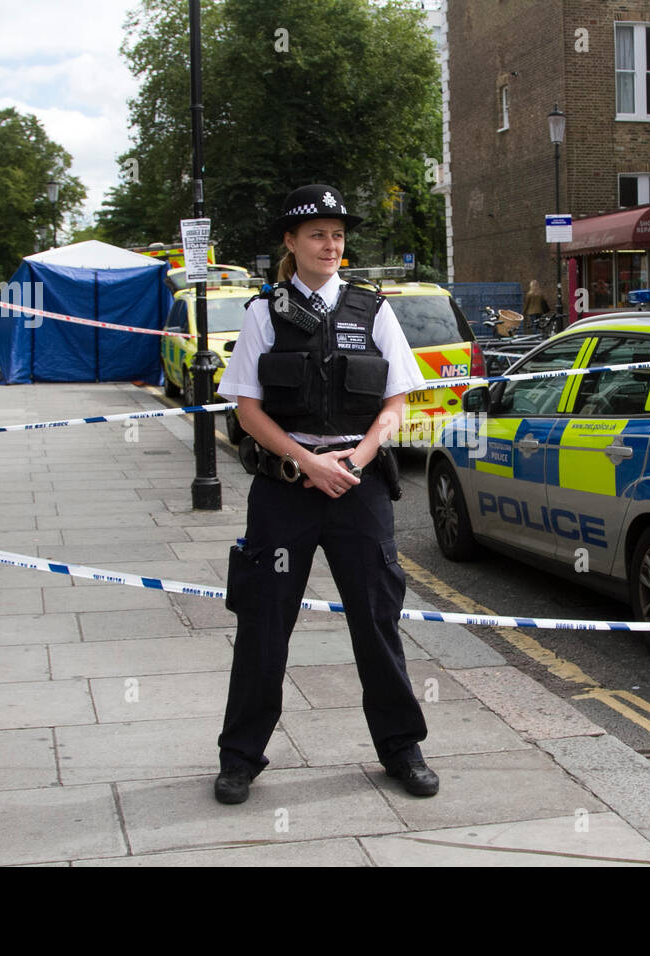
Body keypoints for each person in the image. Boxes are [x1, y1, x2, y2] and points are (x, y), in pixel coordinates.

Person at [212, 184, 436, 804]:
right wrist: (308, 461)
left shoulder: (373, 309)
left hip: (358, 485)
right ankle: (239, 757)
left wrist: (354, 463)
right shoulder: (264, 311)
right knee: (264, 622)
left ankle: (401, 749)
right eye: (317, 234)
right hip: (286, 486)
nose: (330, 245)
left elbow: (396, 403)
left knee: (377, 619)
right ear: (291, 242)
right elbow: (249, 410)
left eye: (337, 234)